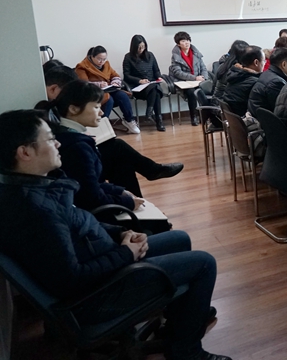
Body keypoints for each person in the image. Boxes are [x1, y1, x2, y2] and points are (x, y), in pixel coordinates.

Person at [0, 109, 229, 360]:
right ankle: (187, 351)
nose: (58, 144)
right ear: (25, 152)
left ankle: (181, 322)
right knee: (205, 263)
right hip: (94, 298)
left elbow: (78, 223)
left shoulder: (36, 188)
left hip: (103, 264)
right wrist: (126, 254)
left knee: (180, 239)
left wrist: (121, 233)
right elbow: (72, 280)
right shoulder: (35, 211)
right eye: (50, 139)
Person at [38, 69, 182, 194]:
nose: (69, 95)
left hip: (78, 158)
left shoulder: (51, 109)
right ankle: (139, 194)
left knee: (121, 161)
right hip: (75, 166)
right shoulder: (52, 119)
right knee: (117, 149)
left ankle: (138, 205)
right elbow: (90, 192)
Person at [75, 46, 140, 134]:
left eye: (104, 59)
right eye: (99, 59)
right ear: (92, 56)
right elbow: (84, 84)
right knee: (108, 99)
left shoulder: (106, 64)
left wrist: (115, 82)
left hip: (109, 90)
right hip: (93, 94)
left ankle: (129, 121)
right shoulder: (82, 66)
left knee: (122, 95)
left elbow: (115, 76)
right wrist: (99, 84)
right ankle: (101, 126)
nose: (101, 62)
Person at [123, 35, 166, 131]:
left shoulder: (150, 55)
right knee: (156, 90)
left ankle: (150, 113)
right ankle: (158, 120)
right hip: (138, 88)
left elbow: (156, 70)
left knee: (155, 89)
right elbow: (126, 75)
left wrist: (159, 77)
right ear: (134, 47)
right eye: (139, 47)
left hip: (151, 84)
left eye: (143, 47)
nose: (141, 49)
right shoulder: (128, 57)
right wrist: (139, 80)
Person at [169, 31, 209, 126]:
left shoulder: (196, 53)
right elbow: (178, 72)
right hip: (184, 82)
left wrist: (204, 78)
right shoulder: (176, 56)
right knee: (191, 92)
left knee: (205, 90)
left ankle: (206, 115)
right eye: (183, 41)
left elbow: (203, 68)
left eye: (188, 40)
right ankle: (193, 116)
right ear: (178, 44)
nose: (186, 43)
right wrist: (195, 78)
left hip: (198, 81)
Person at [221, 46, 265, 117]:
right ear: (256, 62)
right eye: (264, 61)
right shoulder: (254, 82)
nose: (265, 63)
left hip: (233, 119)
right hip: (244, 118)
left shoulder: (234, 74)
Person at [249, 48, 287, 116]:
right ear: (284, 64)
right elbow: (282, 110)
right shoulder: (276, 82)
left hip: (256, 115)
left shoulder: (267, 73)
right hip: (262, 120)